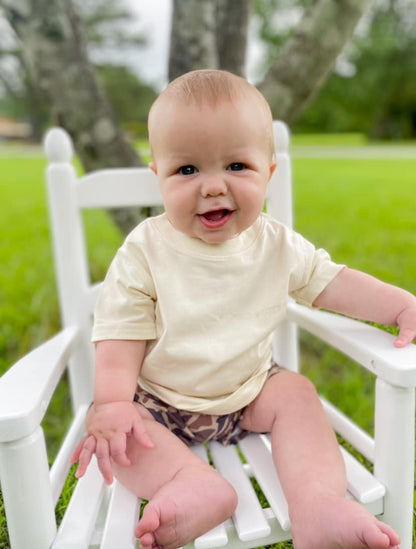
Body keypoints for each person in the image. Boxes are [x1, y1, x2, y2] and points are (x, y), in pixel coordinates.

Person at [71, 69, 415, 549]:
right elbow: (119, 333)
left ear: (269, 173)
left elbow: (331, 283)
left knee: (295, 393)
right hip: (158, 402)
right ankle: (190, 481)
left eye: (236, 166)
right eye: (187, 170)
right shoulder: (145, 249)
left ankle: (317, 503)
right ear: (159, 178)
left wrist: (399, 304)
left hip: (249, 391)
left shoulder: (274, 242)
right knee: (120, 432)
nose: (213, 187)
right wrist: (112, 403)